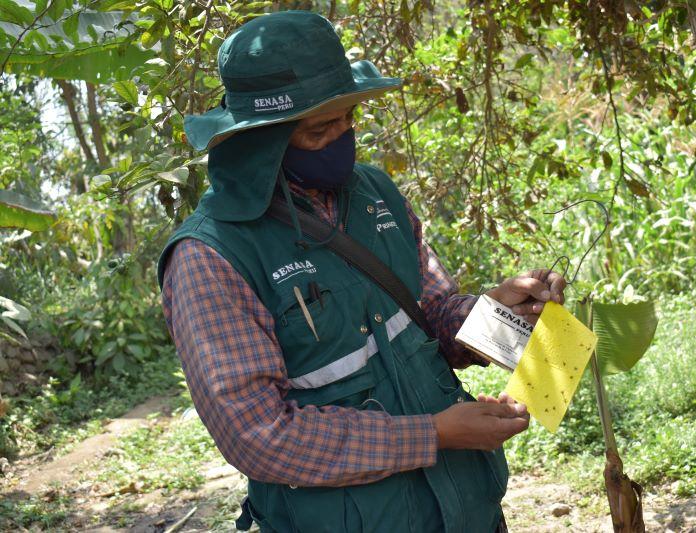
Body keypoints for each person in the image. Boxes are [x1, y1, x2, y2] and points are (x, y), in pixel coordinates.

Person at [158, 11, 566, 533]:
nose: (342, 138)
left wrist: (506, 314)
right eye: (319, 129)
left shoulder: (376, 194)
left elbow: (432, 317)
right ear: (261, 139)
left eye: (348, 117)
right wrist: (434, 435)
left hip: (466, 512)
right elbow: (258, 435)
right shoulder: (211, 257)